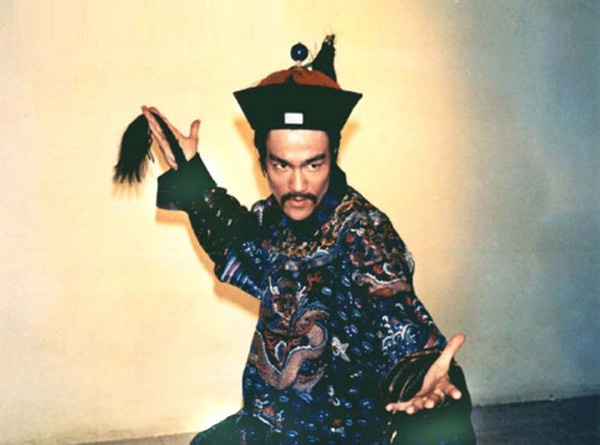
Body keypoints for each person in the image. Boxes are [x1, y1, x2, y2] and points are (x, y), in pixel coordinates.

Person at [134, 35, 475, 444]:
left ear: (333, 156)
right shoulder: (272, 220)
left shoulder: (363, 233)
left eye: (313, 165)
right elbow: (238, 243)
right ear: (262, 162)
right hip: (271, 426)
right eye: (282, 165)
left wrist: (424, 381)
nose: (298, 185)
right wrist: (191, 173)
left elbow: (399, 321)